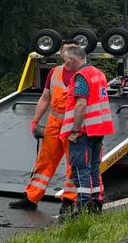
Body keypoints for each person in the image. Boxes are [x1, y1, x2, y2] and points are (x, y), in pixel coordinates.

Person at [10, 43, 80, 210]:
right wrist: (35, 120)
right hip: (54, 123)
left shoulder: (84, 73)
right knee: (45, 160)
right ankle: (31, 197)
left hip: (73, 125)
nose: (68, 53)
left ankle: (69, 200)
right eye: (65, 50)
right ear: (61, 53)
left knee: (73, 164)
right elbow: (45, 98)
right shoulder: (54, 72)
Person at [59, 45, 115, 214]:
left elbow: (81, 104)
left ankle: (84, 207)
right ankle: (97, 203)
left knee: (81, 169)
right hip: (99, 129)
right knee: (94, 168)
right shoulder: (98, 73)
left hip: (84, 131)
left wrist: (75, 131)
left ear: (72, 59)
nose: (65, 65)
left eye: (65, 61)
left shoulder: (81, 76)